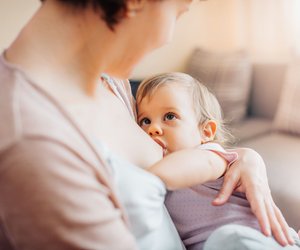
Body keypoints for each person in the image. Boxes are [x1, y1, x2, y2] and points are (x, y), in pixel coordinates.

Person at [0, 0, 295, 249]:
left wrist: (244, 159)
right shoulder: (32, 142)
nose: (168, 37)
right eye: (179, 11)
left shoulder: (109, 80)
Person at [136, 72, 300, 249]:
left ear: (206, 132)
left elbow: (174, 172)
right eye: (145, 120)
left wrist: (141, 178)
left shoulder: (211, 155)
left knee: (227, 238)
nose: (153, 128)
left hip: (265, 240)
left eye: (169, 116)